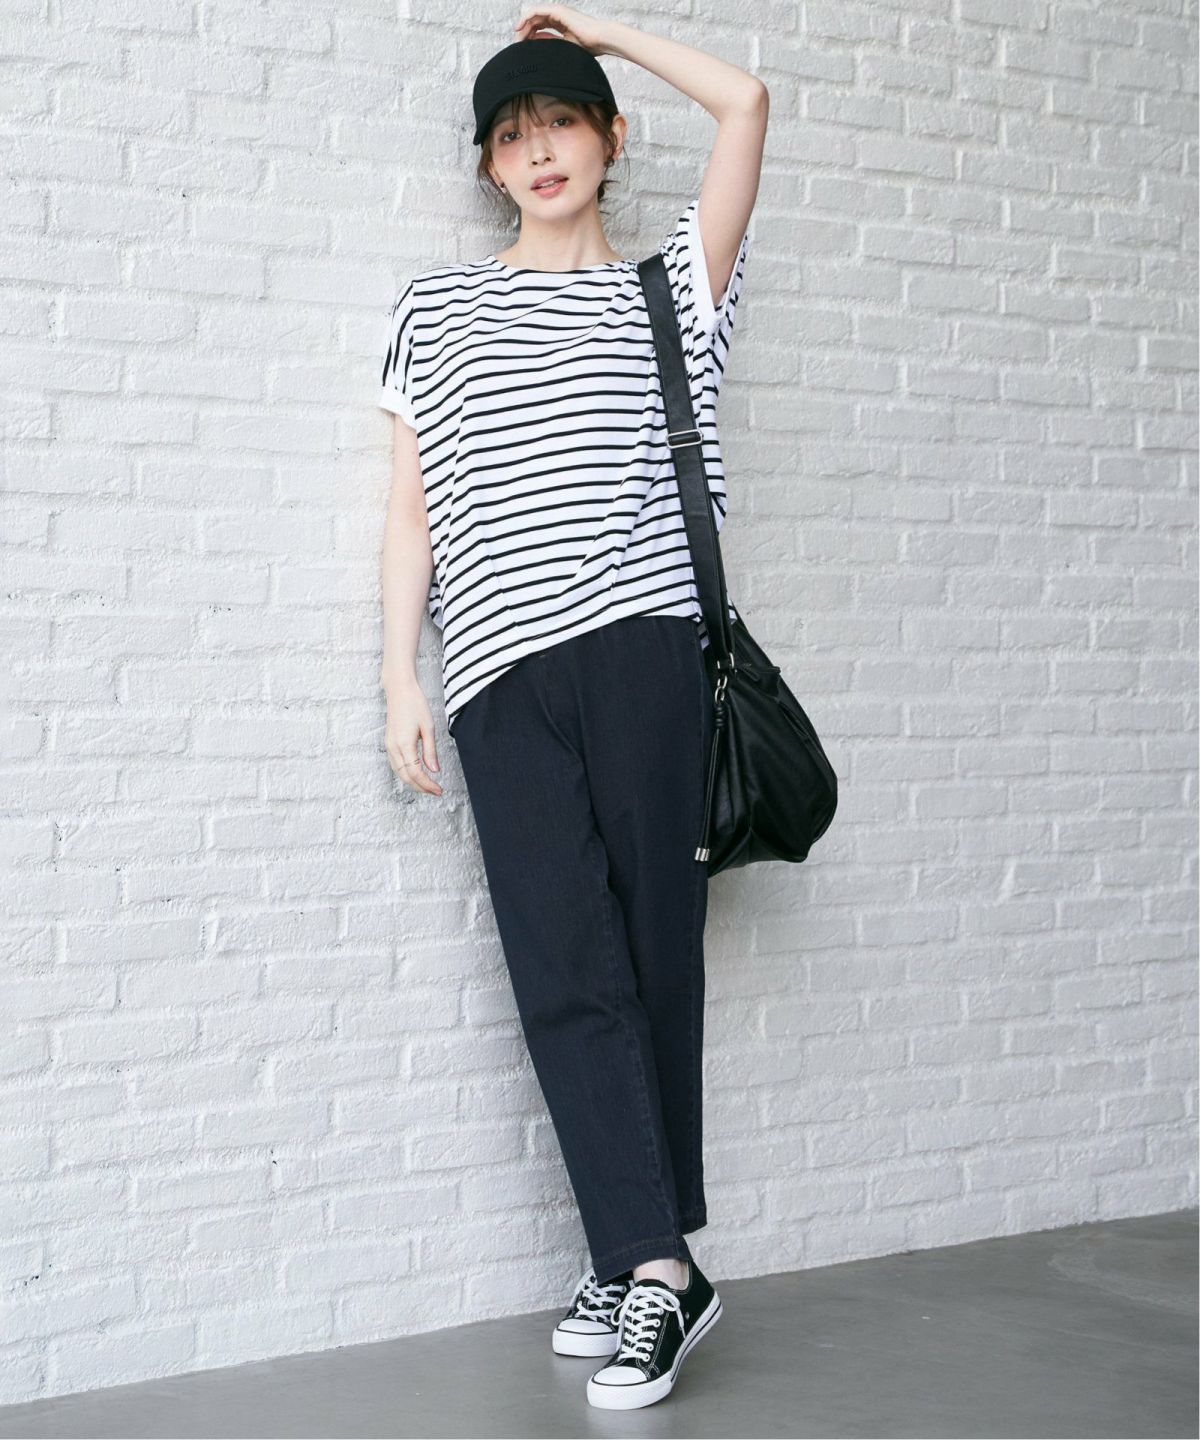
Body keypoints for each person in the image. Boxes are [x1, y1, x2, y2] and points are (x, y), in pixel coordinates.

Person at [377, 3, 766, 1410]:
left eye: (561, 121)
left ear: (608, 138)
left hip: (644, 654)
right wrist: (399, 671)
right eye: (511, 135)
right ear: (489, 167)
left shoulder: (674, 289)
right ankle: (643, 1250)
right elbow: (414, 500)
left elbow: (747, 104)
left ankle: (648, 1267)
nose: (538, 151)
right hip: (496, 675)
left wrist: (593, 28)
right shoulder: (434, 306)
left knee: (652, 954)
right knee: (562, 967)